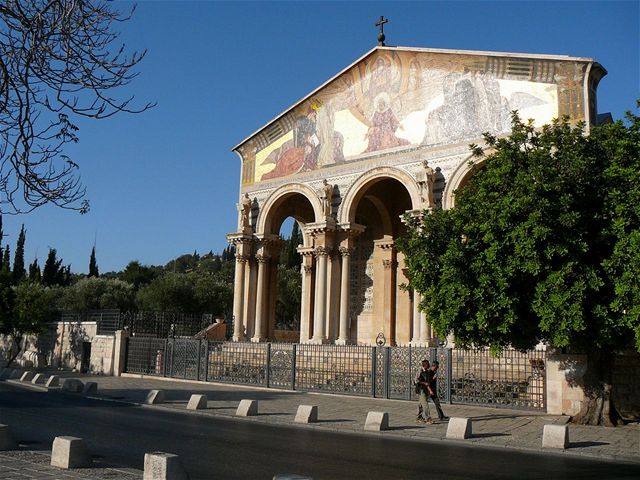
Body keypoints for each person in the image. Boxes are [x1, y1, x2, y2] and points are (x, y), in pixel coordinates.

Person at [414, 359, 433, 424]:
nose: (429, 365)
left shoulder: (427, 371)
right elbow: (416, 380)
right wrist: (424, 383)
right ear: (425, 365)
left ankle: (419, 417)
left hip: (425, 389)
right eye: (428, 364)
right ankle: (428, 418)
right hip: (421, 389)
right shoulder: (420, 371)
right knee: (425, 404)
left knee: (421, 404)